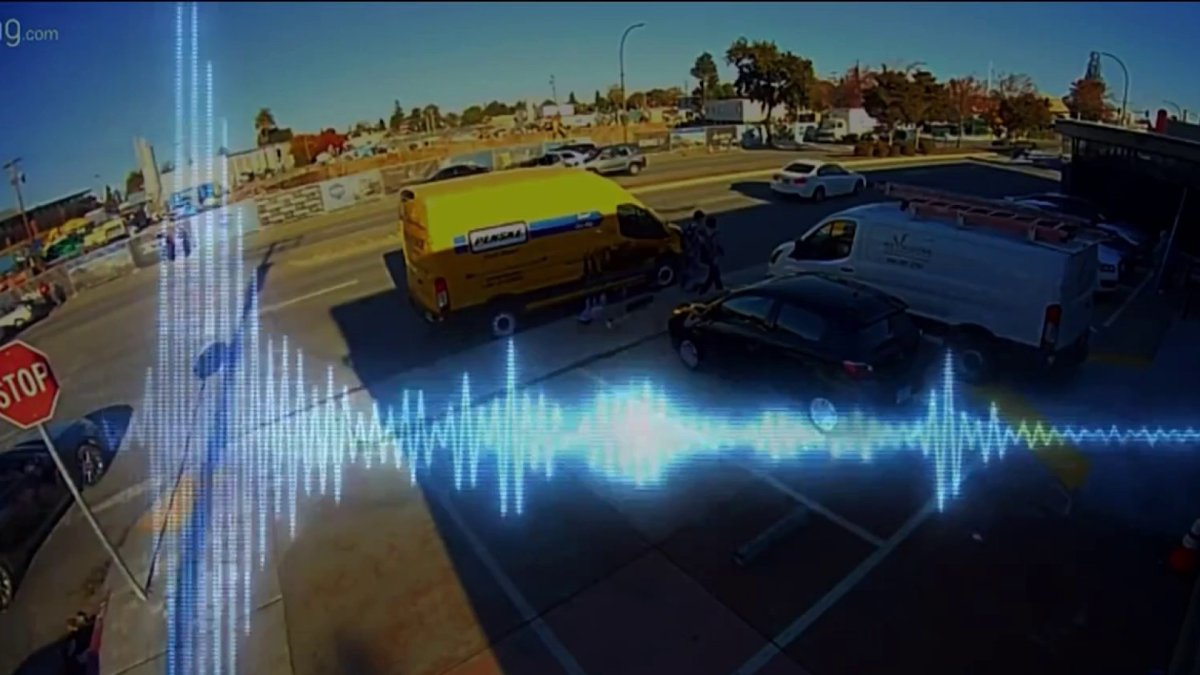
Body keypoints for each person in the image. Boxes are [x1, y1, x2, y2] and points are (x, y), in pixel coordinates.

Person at [696, 215, 725, 294]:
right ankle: (718, 289)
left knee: (713, 274)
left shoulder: (704, 233)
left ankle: (710, 289)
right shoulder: (715, 235)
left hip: (709, 257)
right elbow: (716, 247)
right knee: (714, 274)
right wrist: (717, 256)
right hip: (712, 258)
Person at [682, 209, 707, 292]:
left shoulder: (690, 226)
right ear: (699, 219)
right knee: (692, 269)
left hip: (689, 250)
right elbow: (696, 239)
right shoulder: (696, 227)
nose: (704, 221)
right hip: (693, 251)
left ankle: (688, 283)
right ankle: (688, 286)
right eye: (703, 219)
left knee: (692, 266)